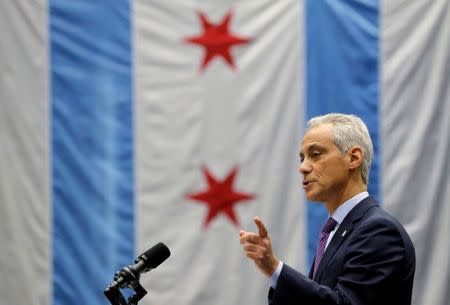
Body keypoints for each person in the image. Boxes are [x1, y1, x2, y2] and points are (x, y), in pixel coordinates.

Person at [239, 113, 415, 305]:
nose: (303, 168)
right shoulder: (336, 230)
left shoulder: (379, 231)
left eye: (315, 155)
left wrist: (274, 269)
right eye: (302, 158)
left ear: (353, 158)